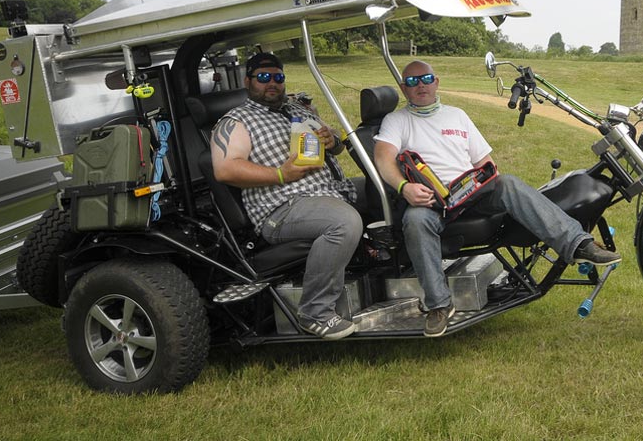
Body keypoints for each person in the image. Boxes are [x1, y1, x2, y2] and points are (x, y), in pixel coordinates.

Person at [373, 60, 621, 337]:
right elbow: (383, 157)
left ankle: (578, 244)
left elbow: (484, 161)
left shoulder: (457, 115)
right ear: (403, 88)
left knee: (508, 183)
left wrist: (488, 178)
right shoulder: (397, 121)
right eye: (412, 81)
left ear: (437, 82)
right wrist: (404, 187)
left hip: (469, 192)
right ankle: (439, 306)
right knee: (415, 220)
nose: (420, 85)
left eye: (426, 79)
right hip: (430, 201)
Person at [211, 52, 361, 340]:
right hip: (281, 209)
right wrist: (281, 174)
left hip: (329, 193)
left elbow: (336, 145)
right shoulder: (236, 121)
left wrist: (332, 139)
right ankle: (315, 312)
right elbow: (225, 169)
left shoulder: (297, 108)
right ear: (247, 82)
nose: (272, 83)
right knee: (343, 223)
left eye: (278, 77)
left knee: (386, 193)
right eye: (263, 77)